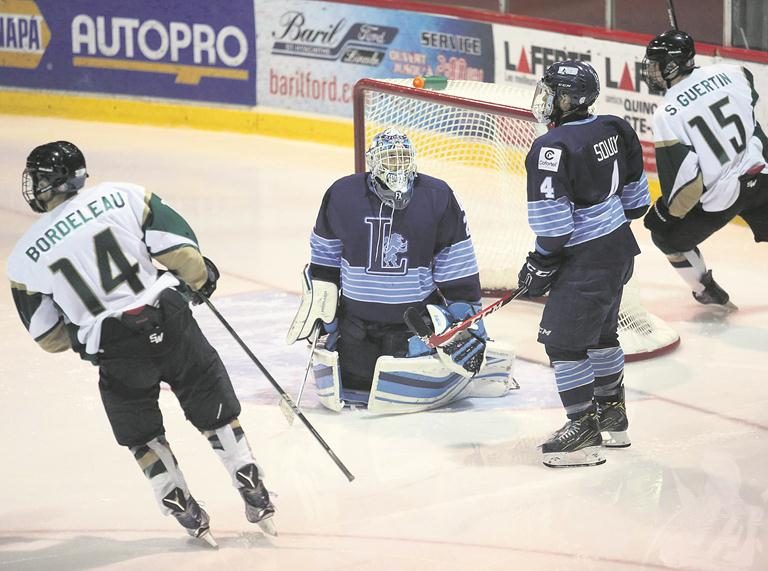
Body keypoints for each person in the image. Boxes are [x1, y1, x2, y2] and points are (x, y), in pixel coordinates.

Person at [7, 141, 276, 547]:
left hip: (115, 346)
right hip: (169, 317)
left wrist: (86, 333)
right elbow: (184, 255)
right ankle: (247, 475)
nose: (34, 186)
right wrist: (198, 283)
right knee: (210, 402)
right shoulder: (124, 195)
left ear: (53, 181)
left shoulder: (25, 256)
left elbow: (48, 337)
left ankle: (178, 500)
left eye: (39, 178)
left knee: (141, 433)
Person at [286, 128, 517, 414]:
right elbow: (325, 259)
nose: (397, 166)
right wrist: (325, 315)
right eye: (390, 158)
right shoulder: (343, 195)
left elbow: (457, 265)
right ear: (373, 161)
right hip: (356, 326)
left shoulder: (437, 196)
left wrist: (466, 320)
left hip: (415, 329)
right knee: (357, 381)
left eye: (402, 158)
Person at [518, 60, 651, 467]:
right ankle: (612, 416)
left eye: (550, 92)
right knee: (601, 336)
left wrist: (541, 261)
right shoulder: (615, 127)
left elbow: (554, 224)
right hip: (618, 249)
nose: (544, 98)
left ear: (565, 99)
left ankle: (583, 429)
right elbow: (637, 202)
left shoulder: (551, 147)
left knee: (562, 343)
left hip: (587, 260)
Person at [642, 29, 768, 306]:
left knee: (665, 237)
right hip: (761, 178)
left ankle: (707, 291)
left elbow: (686, 189)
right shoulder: (732, 72)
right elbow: (748, 87)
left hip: (721, 199)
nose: (651, 70)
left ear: (672, 65)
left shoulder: (667, 113)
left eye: (656, 64)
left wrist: (664, 214)